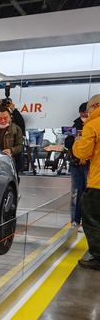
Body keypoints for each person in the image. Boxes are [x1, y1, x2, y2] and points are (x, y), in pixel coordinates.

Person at [74, 94, 100, 270]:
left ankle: (98, 257)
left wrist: (77, 143)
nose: (87, 113)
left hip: (98, 183)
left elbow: (83, 152)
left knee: (92, 219)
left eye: (88, 109)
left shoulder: (93, 124)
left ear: (95, 106)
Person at [64, 102, 89, 231]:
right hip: (75, 163)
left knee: (89, 193)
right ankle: (75, 221)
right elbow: (67, 143)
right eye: (81, 115)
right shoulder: (76, 124)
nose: (83, 117)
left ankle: (88, 221)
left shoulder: (95, 125)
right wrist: (74, 138)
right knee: (76, 192)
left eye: (85, 115)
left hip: (90, 165)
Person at [0, 107, 24, 172]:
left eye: (5, 118)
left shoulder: (17, 129)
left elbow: (20, 146)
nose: (3, 121)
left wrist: (11, 150)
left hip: (11, 160)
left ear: (10, 118)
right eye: (0, 118)